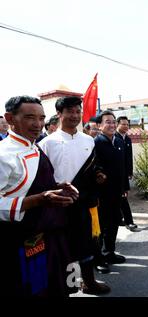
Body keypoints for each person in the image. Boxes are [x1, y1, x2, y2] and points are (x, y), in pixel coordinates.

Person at [0, 96, 79, 297]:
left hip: (51, 232)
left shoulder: (33, 145)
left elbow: (36, 183)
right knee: (33, 287)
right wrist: (41, 198)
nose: (38, 124)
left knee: (56, 284)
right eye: (29, 118)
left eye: (41, 118)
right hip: (22, 237)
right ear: (10, 118)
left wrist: (57, 187)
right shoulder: (4, 154)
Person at [39, 96, 110, 294]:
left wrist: (99, 175)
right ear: (59, 114)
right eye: (70, 111)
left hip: (83, 202)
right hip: (58, 204)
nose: (75, 115)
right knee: (63, 247)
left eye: (78, 111)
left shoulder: (89, 140)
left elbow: (94, 166)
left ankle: (89, 282)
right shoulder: (47, 143)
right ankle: (68, 285)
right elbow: (43, 177)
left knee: (86, 244)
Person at [94, 111, 128, 266]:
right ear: (100, 125)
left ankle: (110, 252)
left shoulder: (119, 141)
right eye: (108, 122)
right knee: (100, 227)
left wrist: (124, 188)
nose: (112, 125)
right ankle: (98, 258)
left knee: (114, 223)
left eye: (114, 122)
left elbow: (123, 168)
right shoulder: (96, 143)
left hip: (117, 192)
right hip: (101, 194)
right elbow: (93, 168)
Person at [115, 116, 139, 232]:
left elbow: (129, 157)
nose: (126, 126)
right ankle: (129, 221)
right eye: (123, 124)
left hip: (125, 173)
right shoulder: (114, 138)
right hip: (117, 174)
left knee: (122, 196)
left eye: (127, 125)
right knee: (123, 197)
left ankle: (120, 219)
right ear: (117, 124)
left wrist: (130, 171)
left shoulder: (128, 139)